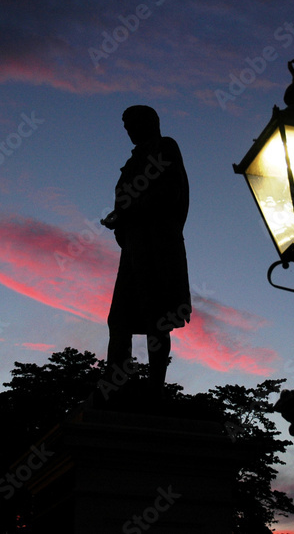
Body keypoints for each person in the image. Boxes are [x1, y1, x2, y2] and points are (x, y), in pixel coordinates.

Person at [100, 105, 191, 398]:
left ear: (149, 123)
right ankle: (115, 382)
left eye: (132, 125)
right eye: (125, 126)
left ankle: (155, 388)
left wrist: (128, 212)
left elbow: (170, 194)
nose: (128, 131)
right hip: (135, 247)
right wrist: (120, 220)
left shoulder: (165, 147)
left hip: (158, 247)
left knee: (157, 319)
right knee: (120, 319)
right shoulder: (135, 158)